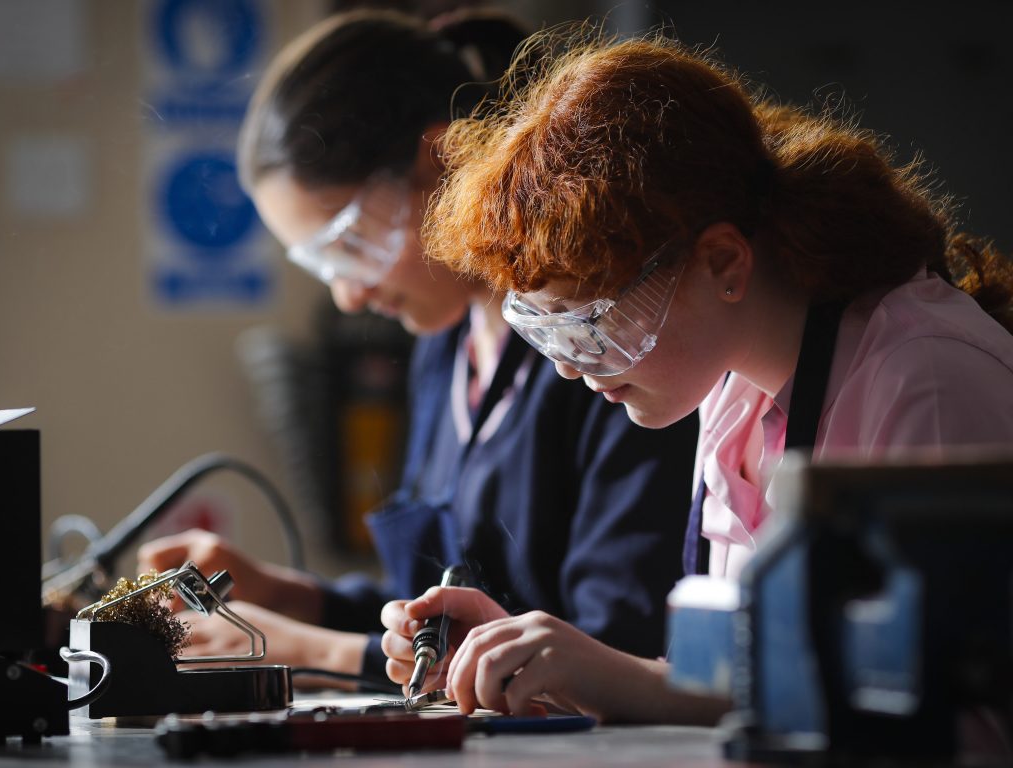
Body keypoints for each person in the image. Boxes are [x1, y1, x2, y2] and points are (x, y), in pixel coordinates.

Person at [380, 29, 1013, 721]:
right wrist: (530, 658)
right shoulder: (734, 388)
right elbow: (738, 682)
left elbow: (941, 723)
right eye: (546, 330)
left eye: (593, 320)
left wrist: (621, 680)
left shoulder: (925, 380)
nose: (565, 363)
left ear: (723, 264)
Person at [138, 10, 699, 689]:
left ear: (444, 160)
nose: (348, 295)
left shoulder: (601, 350)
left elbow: (607, 650)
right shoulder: (447, 348)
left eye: (350, 246)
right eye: (323, 267)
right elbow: (435, 619)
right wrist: (294, 599)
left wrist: (314, 651)